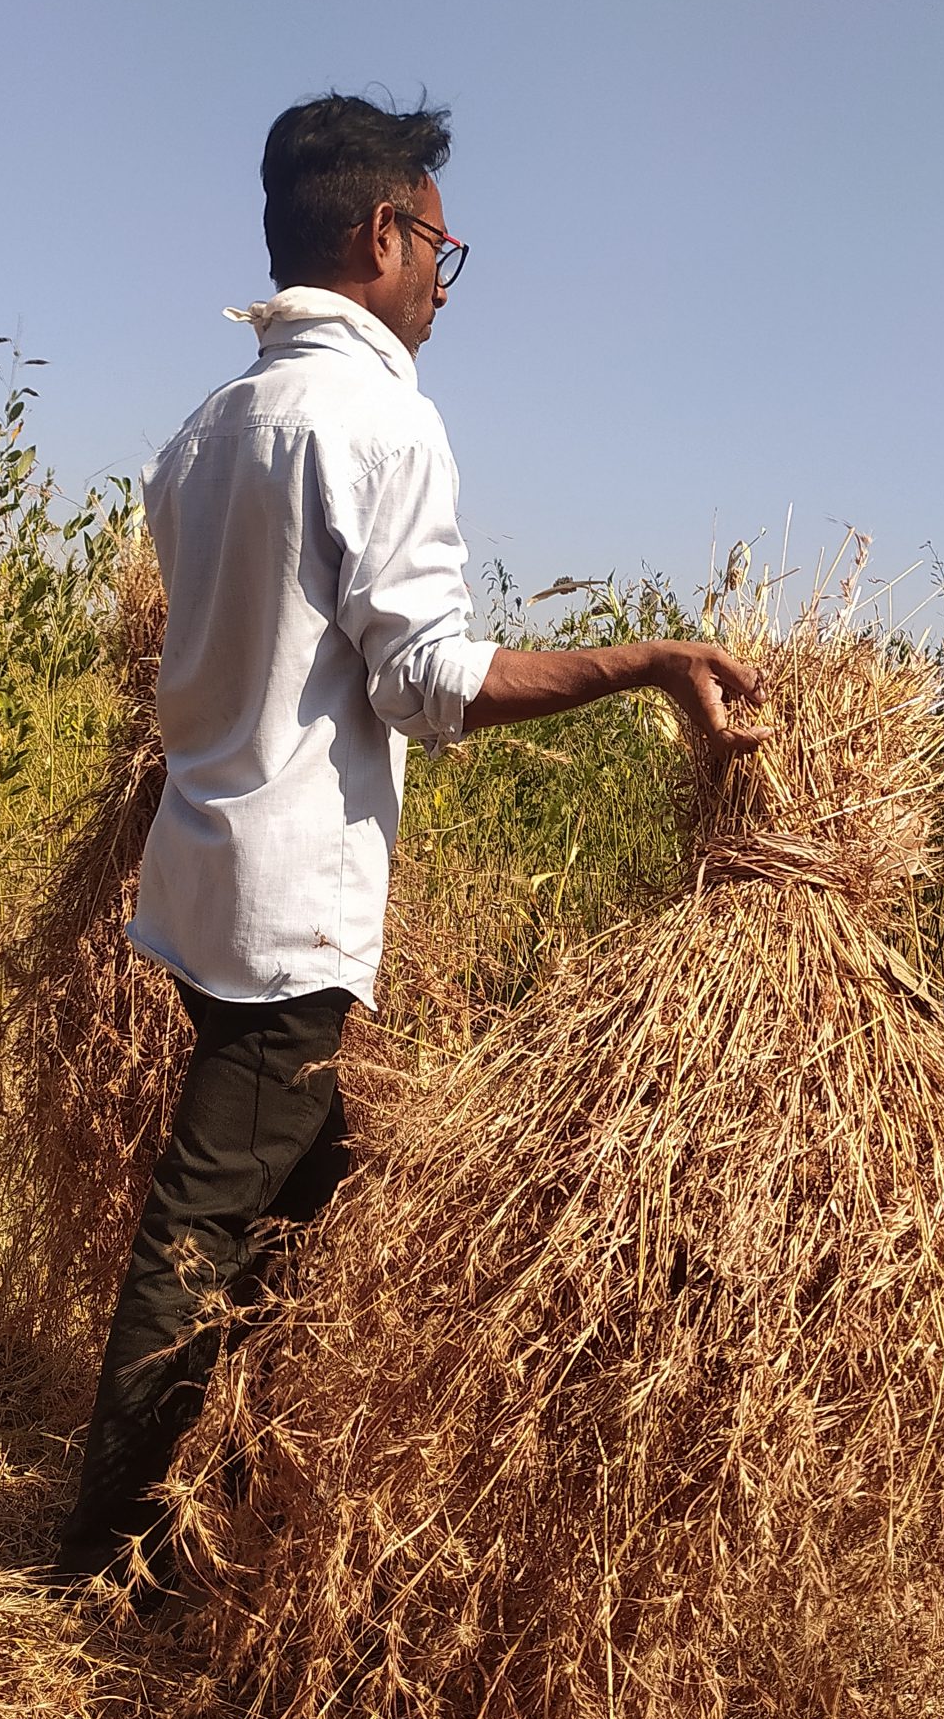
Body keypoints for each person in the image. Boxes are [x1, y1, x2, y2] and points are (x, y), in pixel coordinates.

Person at [52, 91, 767, 1593]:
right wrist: (638, 664)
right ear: (384, 234)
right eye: (441, 244)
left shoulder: (210, 428)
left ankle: (225, 1502)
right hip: (286, 903)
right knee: (208, 1216)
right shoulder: (381, 420)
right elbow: (424, 678)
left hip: (202, 871)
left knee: (307, 1210)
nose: (446, 278)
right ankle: (102, 1547)